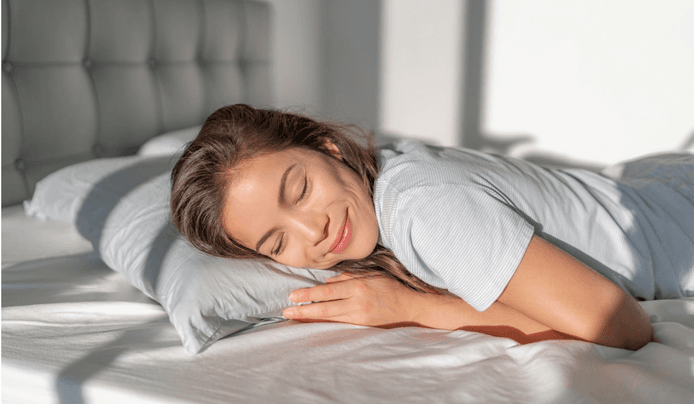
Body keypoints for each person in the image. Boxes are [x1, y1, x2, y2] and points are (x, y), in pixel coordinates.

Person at [171, 104, 694, 350]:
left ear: (327, 148)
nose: (312, 232)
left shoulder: (421, 210)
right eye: (277, 241)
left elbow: (621, 327)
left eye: (300, 189)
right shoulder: (382, 171)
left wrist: (411, 307)